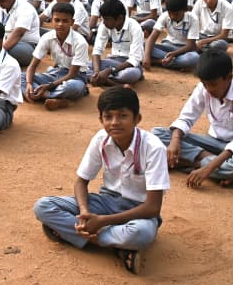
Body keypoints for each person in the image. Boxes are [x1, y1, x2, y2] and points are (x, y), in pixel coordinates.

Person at [33, 86, 169, 275]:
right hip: (104, 202)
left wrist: (102, 221)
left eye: (122, 116)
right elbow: (81, 181)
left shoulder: (154, 148)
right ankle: (117, 246)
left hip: (139, 211)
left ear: (137, 119)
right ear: (100, 119)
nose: (115, 123)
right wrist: (85, 212)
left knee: (141, 234)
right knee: (43, 206)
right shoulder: (101, 139)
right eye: (108, 117)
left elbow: (153, 207)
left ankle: (76, 234)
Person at [151, 49, 233, 187]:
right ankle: (214, 165)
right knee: (157, 133)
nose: (208, 89)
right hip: (211, 142)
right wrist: (175, 141)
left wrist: (208, 168)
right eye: (204, 84)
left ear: (228, 77)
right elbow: (186, 118)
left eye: (213, 84)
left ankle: (188, 163)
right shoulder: (203, 88)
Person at [25, 2, 90, 111]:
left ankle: (40, 94)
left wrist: (49, 86)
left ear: (72, 22)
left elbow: (72, 74)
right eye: (57, 20)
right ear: (51, 20)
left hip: (76, 77)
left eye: (65, 21)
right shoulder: (47, 37)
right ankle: (50, 96)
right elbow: (32, 66)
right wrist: (29, 84)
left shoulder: (80, 42)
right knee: (20, 77)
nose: (60, 24)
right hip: (56, 73)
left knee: (72, 87)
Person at [89, 0, 144, 86]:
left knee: (131, 74)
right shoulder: (104, 25)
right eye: (103, 19)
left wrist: (110, 70)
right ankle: (108, 81)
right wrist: (96, 72)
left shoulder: (135, 27)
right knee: (84, 66)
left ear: (119, 18)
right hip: (112, 60)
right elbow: (97, 51)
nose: (104, 22)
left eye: (107, 19)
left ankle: (104, 80)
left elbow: (135, 59)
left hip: (128, 65)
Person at [143, 0, 200, 71]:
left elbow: (190, 46)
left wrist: (173, 54)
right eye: (170, 13)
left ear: (185, 10)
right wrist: (146, 57)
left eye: (176, 14)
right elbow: (152, 38)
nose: (172, 16)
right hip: (167, 46)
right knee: (143, 46)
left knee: (194, 58)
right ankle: (174, 64)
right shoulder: (165, 16)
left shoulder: (193, 19)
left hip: (184, 50)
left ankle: (158, 62)